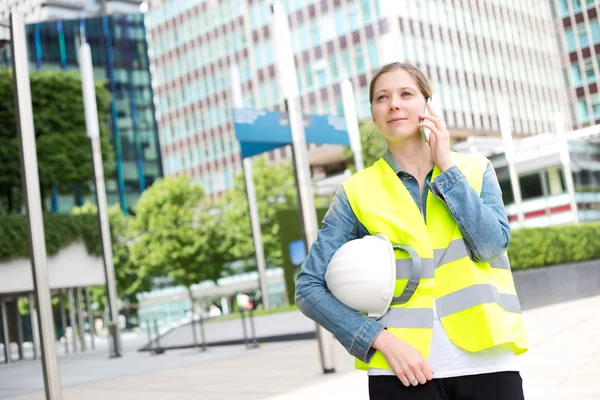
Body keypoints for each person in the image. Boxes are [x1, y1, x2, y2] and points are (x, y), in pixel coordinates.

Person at [295, 62, 528, 400]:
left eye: (406, 94)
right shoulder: (356, 191)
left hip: (487, 361)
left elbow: (491, 246)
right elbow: (308, 287)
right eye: (382, 97)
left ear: (426, 104)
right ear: (374, 116)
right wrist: (379, 340)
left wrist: (447, 169)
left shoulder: (475, 170)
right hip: (400, 371)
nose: (394, 104)